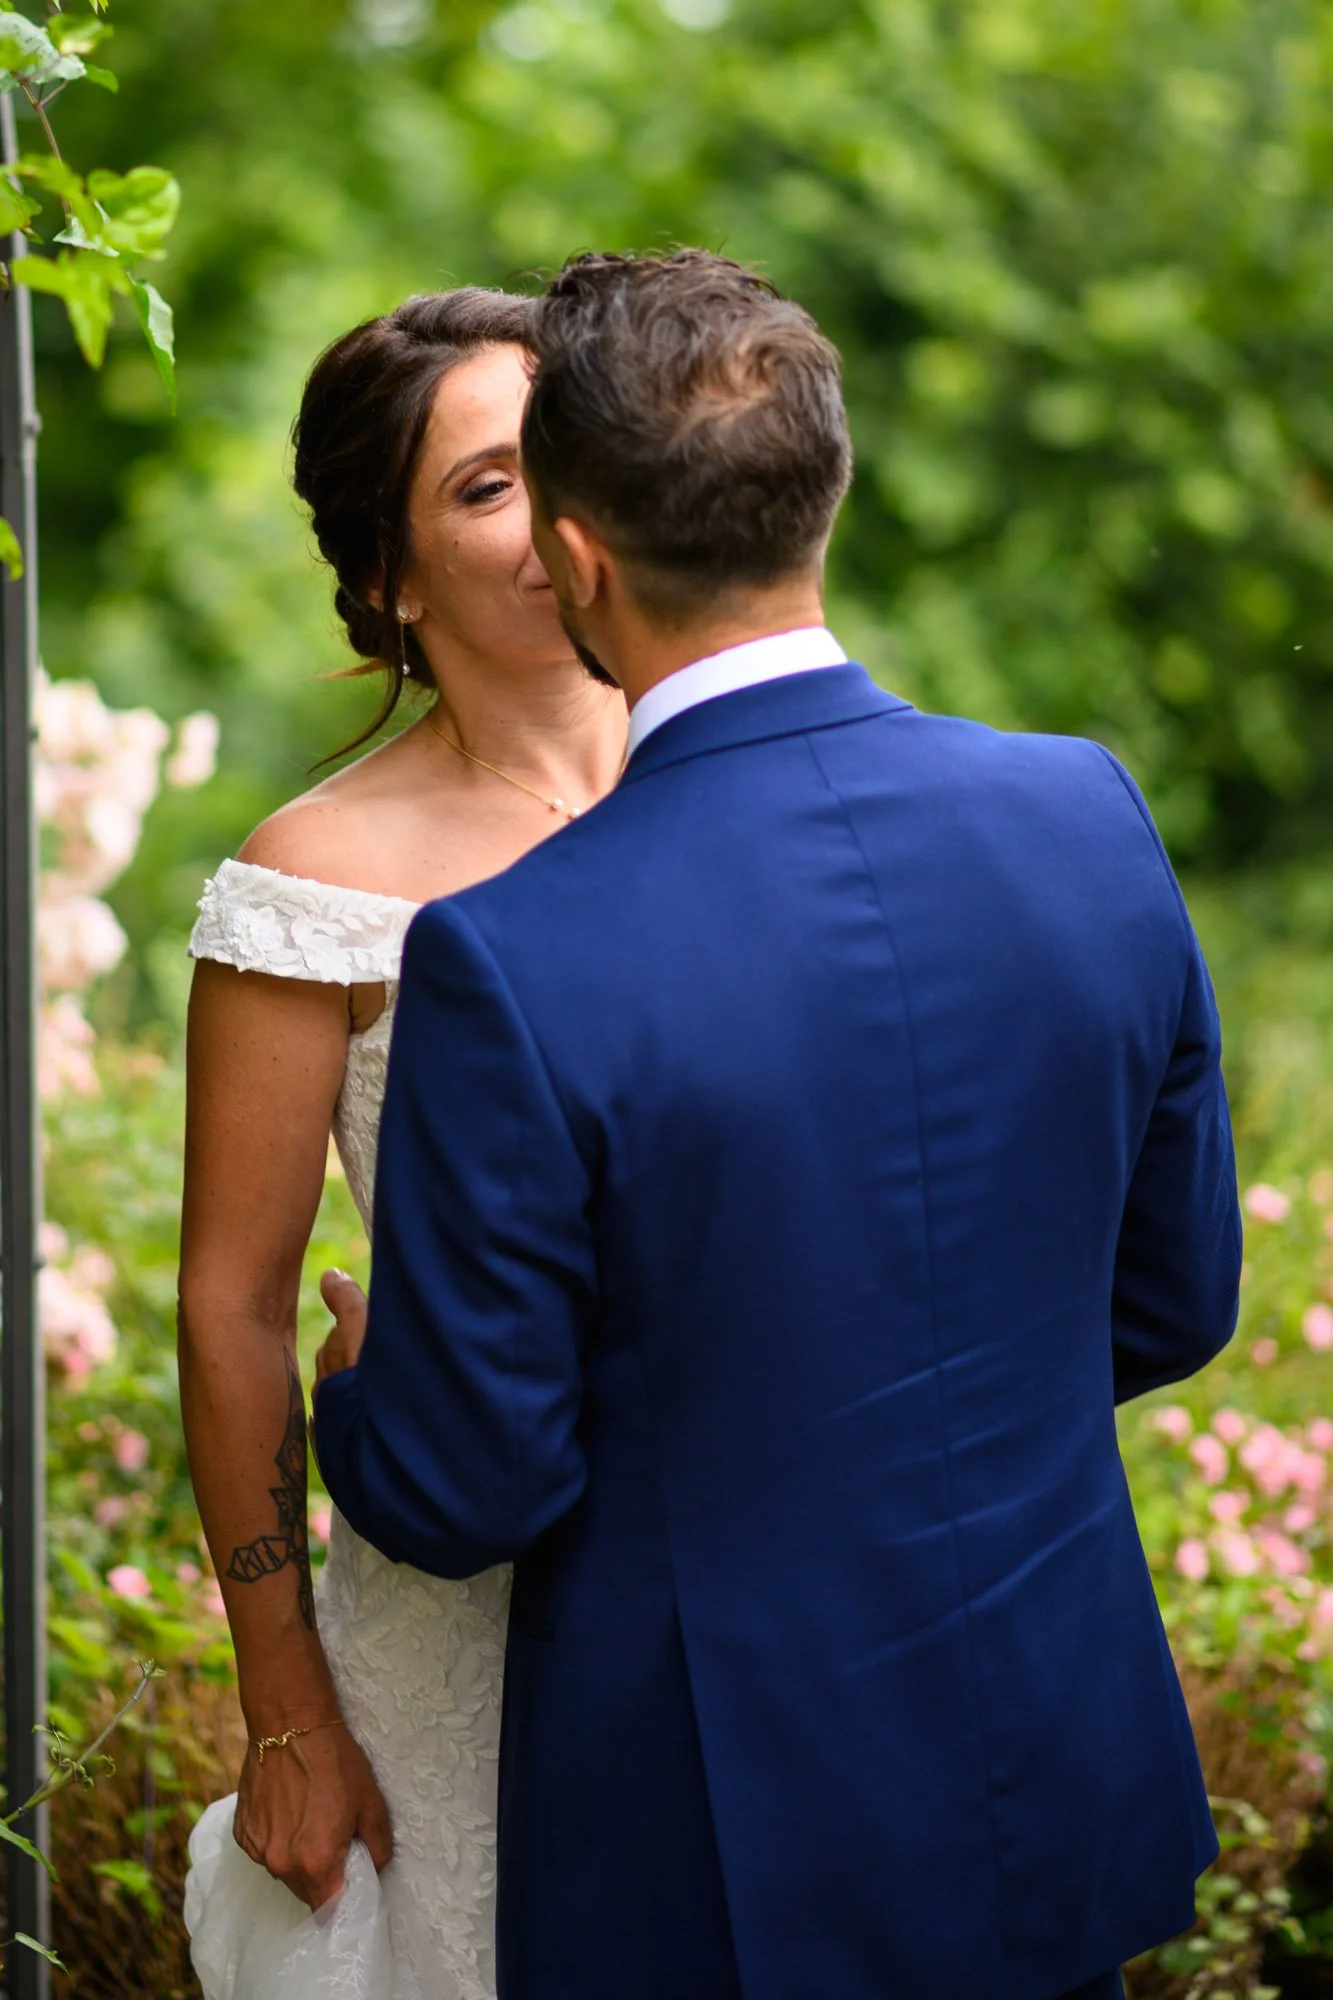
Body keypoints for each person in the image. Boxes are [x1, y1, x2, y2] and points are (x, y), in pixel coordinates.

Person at [312, 249, 1242, 2000]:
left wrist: (363, 1391)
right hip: (1042, 1775)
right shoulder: (1090, 816)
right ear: (821, 488)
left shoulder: (511, 961)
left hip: (716, 1851)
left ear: (578, 557)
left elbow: (469, 1482)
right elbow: (1176, 1302)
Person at [177, 288, 627, 2000]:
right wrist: (284, 1706)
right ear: (388, 574)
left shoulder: (732, 786)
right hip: (454, 1606)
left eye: (565, 463)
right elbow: (232, 1309)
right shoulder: (310, 886)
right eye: (486, 487)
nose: (553, 521)